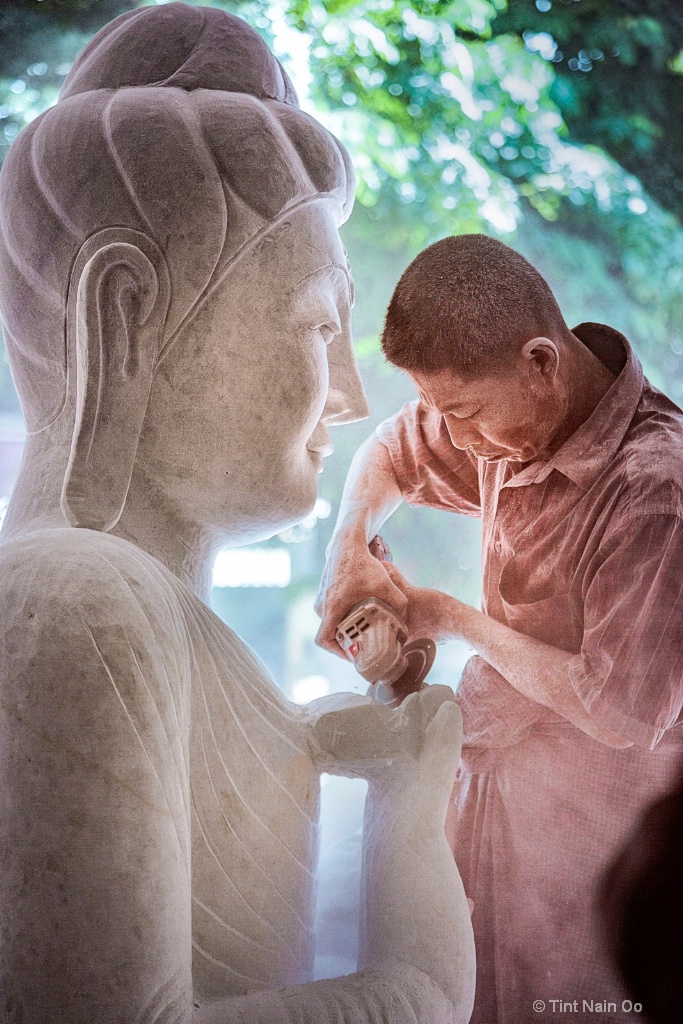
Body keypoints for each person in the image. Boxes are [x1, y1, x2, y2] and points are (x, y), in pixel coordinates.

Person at [0, 7, 477, 1022]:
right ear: (125, 315)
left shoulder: (146, 615)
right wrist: (421, 976)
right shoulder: (76, 598)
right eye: (317, 324)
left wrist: (349, 754)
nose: (348, 395)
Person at [316, 233, 683, 1024]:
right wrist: (347, 550)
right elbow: (392, 450)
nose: (458, 440)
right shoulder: (504, 419)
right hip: (489, 808)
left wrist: (450, 617)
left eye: (466, 414)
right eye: (443, 414)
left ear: (541, 363)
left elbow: (620, 710)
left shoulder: (653, 490)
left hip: (593, 849)